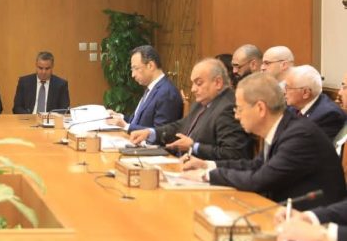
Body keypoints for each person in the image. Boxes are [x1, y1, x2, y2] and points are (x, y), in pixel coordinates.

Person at [182, 73, 345, 210]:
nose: (236, 116)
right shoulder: (282, 127)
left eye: (239, 108)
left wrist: (207, 176)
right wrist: (207, 165)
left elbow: (260, 180)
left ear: (260, 108)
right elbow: (255, 165)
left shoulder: (299, 136)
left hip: (313, 222)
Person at [129, 58, 253, 160]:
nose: (193, 89)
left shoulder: (228, 108)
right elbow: (181, 126)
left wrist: (194, 146)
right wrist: (150, 133)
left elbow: (233, 154)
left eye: (199, 83)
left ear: (218, 83)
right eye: (193, 83)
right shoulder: (201, 103)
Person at [106, 45, 182, 131]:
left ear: (150, 65)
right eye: (132, 69)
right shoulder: (152, 88)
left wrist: (126, 126)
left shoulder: (166, 93)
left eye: (136, 68)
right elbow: (137, 120)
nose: (133, 75)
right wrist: (119, 117)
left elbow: (160, 133)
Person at [283, 65, 345, 141]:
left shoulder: (329, 115)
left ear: (305, 93)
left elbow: (302, 144)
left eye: (288, 88)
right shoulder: (292, 106)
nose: (284, 92)